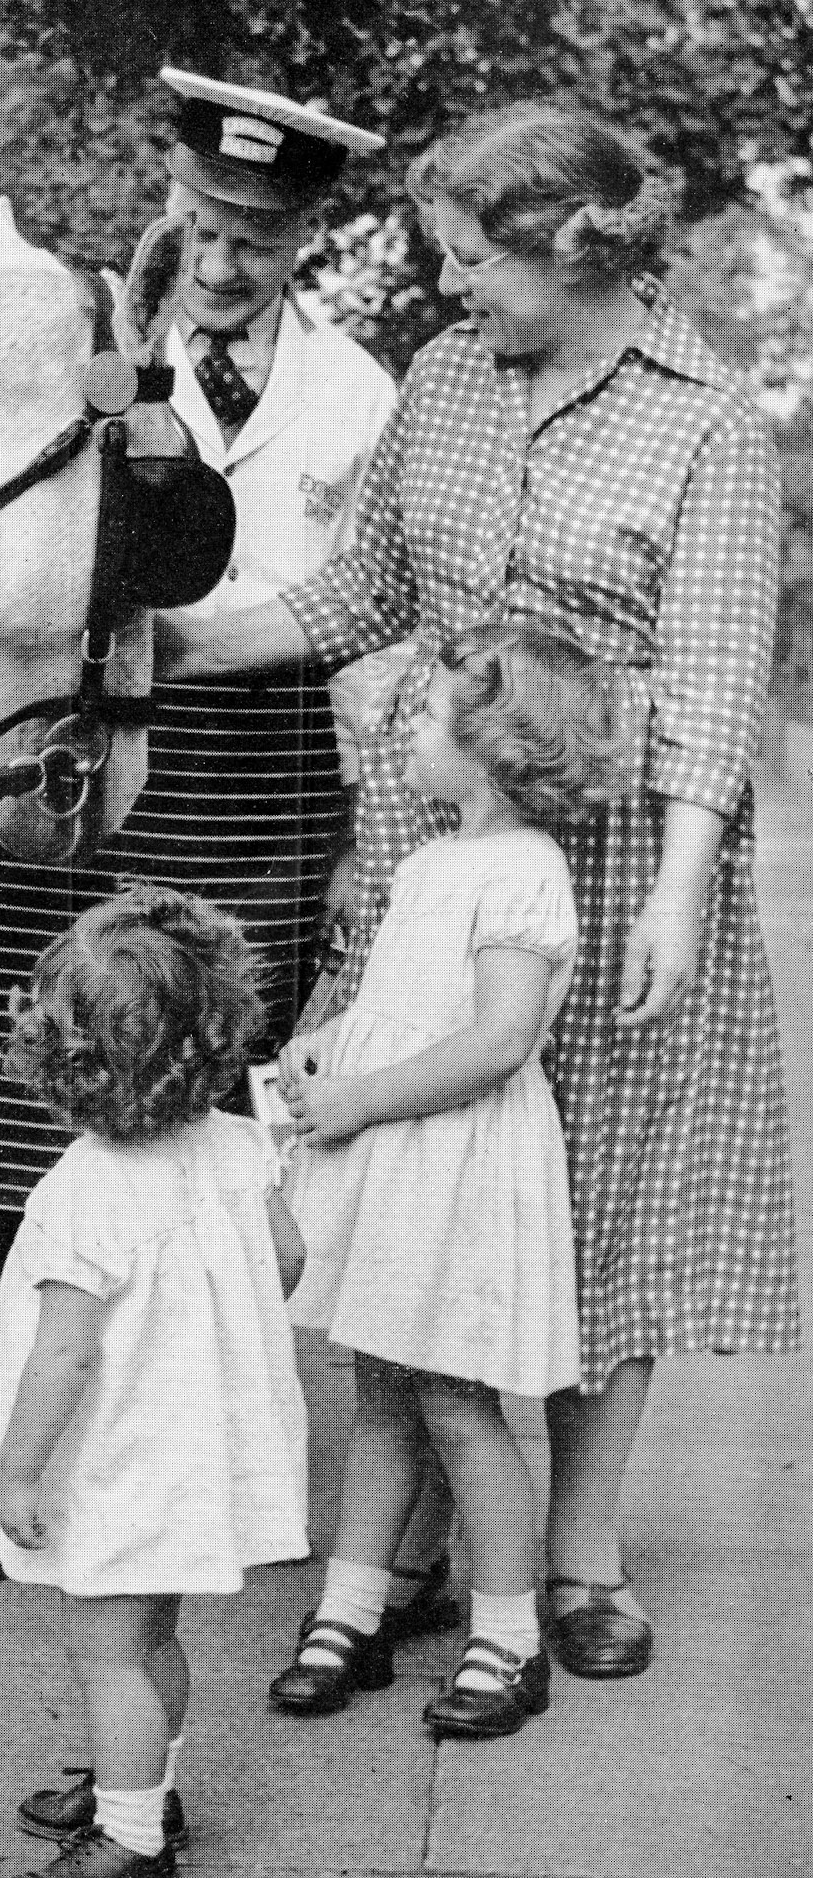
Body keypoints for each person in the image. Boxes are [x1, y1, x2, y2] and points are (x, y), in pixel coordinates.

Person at [155, 100, 801, 1683]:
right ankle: (428, 1538)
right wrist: (160, 645)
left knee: (601, 1200)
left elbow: (720, 679)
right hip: (421, 849)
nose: (446, 287)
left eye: (464, 256)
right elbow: (359, 587)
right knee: (417, 1172)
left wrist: (680, 891)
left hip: (628, 855)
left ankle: (577, 1552)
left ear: (572, 245)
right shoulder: (446, 380)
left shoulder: (709, 417)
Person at [0, 69, 447, 1615]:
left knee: (215, 1136)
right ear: (171, 197)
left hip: (263, 775)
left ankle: (193, 1470)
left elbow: (373, 622)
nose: (220, 262)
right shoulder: (70, 355)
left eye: (258, 238)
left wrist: (362, 840)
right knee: (9, 1133)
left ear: (307, 236)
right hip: (68, 761)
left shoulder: (360, 394)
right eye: (204, 223)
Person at [268, 625, 620, 1739]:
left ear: (495, 745)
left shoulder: (525, 871)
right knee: (379, 1391)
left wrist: (366, 1098)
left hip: (460, 1165)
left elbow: (497, 1039)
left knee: (461, 1406)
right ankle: (353, 1605)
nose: (405, 732)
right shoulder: (426, 862)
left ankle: (509, 1635)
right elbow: (394, 1006)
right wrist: (328, 1045)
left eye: (424, 718)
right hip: (398, 1162)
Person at [0, 886, 308, 1877]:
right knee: (154, 1633)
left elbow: (64, 1351)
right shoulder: (243, 1145)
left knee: (108, 1647)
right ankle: (144, 1788)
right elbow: (287, 1257)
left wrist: (19, 1473)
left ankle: (127, 1838)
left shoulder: (86, 1186)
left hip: (122, 1453)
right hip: (197, 1439)